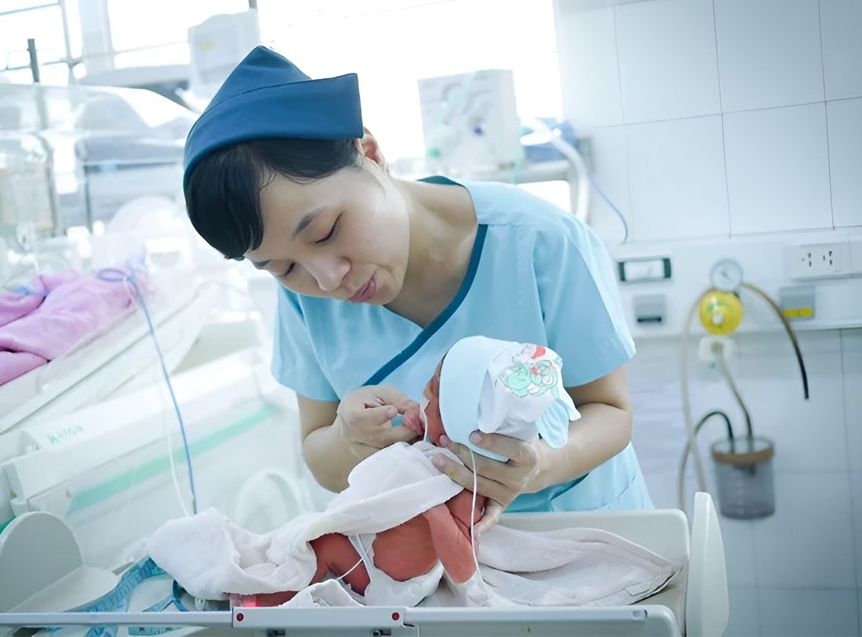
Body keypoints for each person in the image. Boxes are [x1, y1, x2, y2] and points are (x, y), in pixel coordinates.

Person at [182, 46, 653, 531]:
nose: (327, 279)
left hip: (586, 538)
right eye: (280, 267)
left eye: (325, 231)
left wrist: (542, 465)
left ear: (369, 152)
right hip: (433, 575)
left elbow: (611, 411)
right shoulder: (304, 297)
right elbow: (319, 455)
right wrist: (349, 440)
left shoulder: (539, 242)